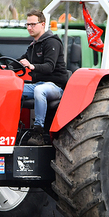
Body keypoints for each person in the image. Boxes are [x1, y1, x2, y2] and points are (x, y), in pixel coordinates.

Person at [18, 10, 69, 145]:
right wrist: (4, 66)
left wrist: (32, 66)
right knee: (13, 89)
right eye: (27, 24)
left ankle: (39, 130)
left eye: (33, 24)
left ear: (42, 24)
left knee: (39, 90)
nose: (29, 28)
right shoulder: (33, 46)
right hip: (38, 84)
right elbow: (19, 62)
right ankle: (15, 127)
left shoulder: (52, 42)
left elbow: (49, 67)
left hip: (55, 86)